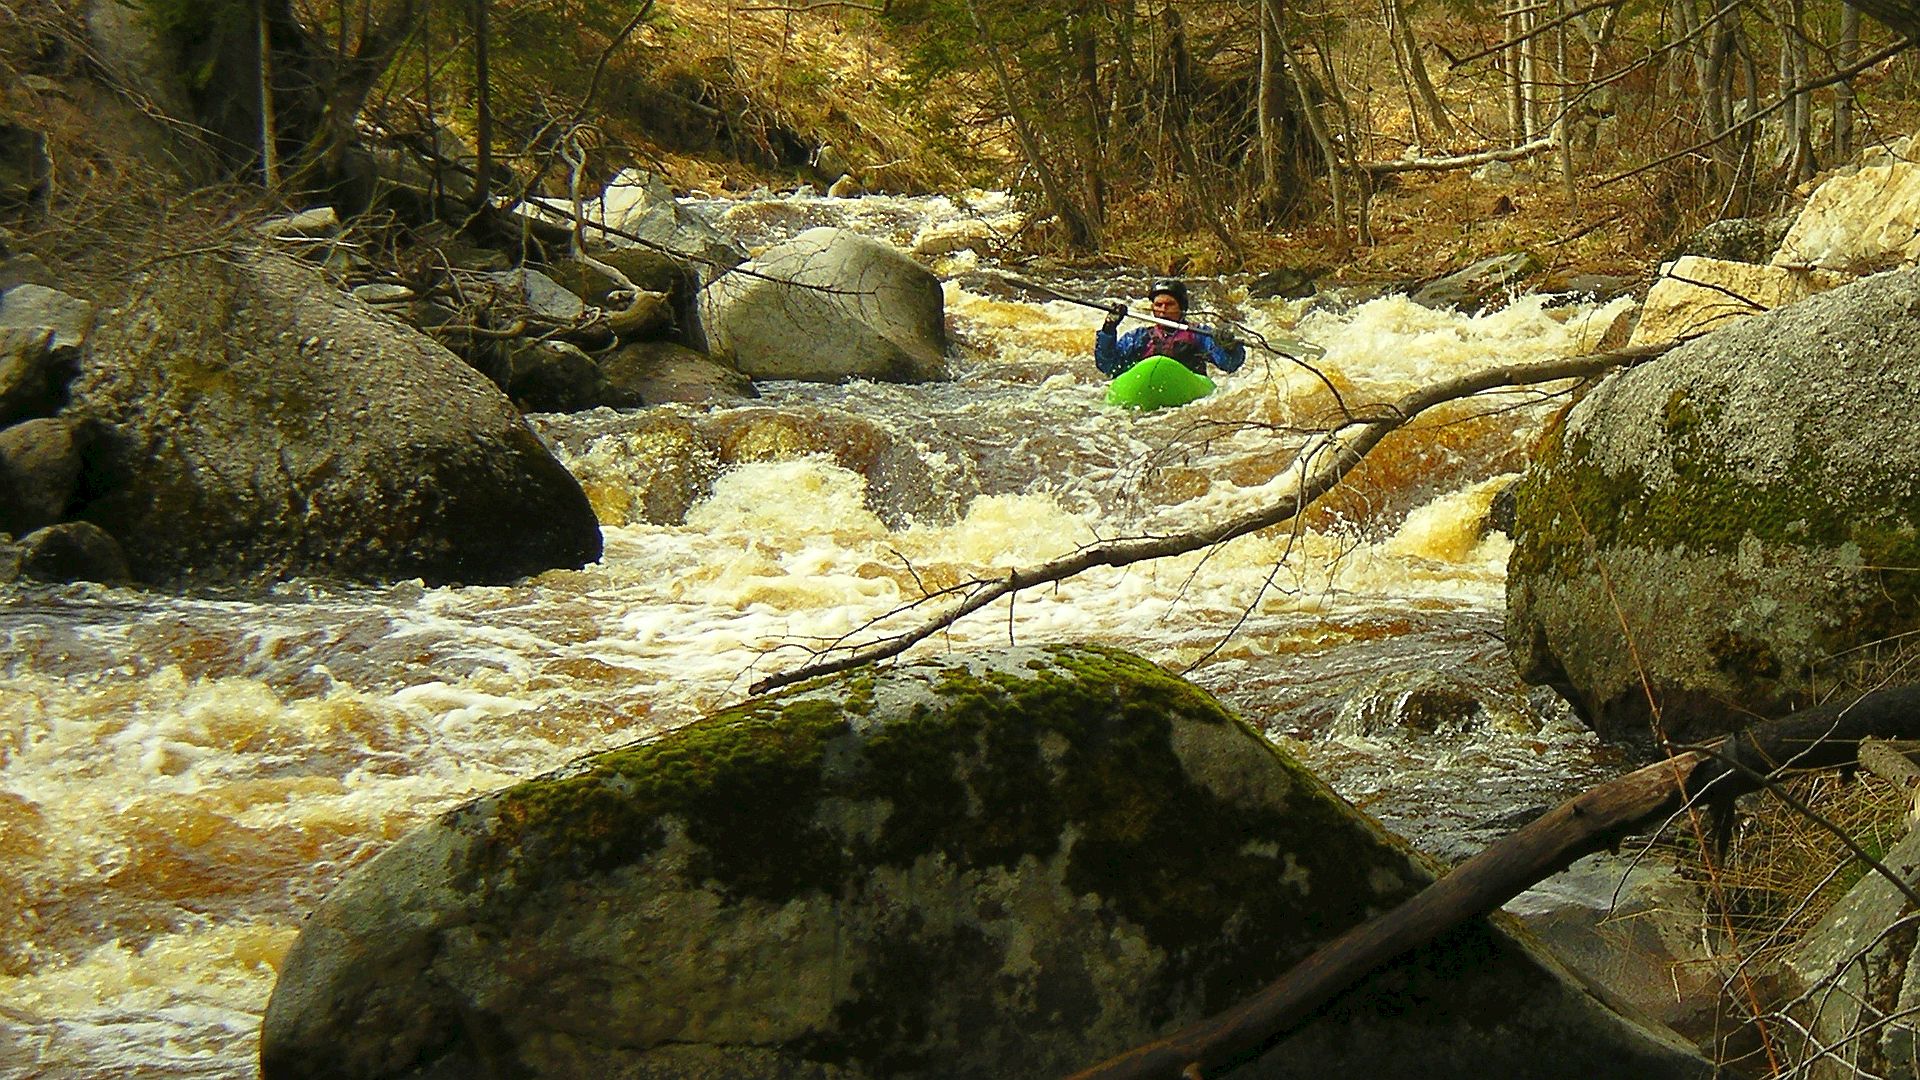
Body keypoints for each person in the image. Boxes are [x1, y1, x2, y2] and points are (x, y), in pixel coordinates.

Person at [1094, 279, 1246, 378]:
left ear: (1182, 308)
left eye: (1169, 304)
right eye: (1158, 305)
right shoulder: (1139, 337)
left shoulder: (1198, 334)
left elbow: (1229, 364)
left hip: (1186, 390)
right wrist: (1109, 329)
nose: (1163, 310)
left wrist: (1229, 347)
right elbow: (1109, 365)